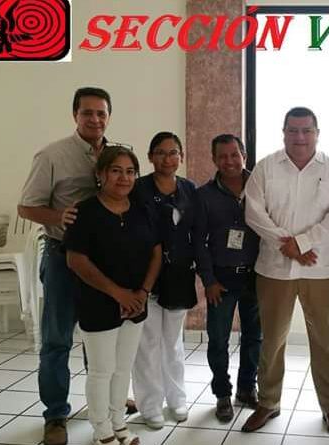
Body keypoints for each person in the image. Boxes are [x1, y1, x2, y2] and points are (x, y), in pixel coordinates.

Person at [241, 107, 329, 439]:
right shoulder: (266, 167)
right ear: (284, 132)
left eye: (306, 130)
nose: (299, 137)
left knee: (324, 342)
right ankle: (268, 402)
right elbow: (253, 213)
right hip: (274, 270)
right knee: (272, 341)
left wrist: (301, 244)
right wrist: (286, 245)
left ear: (317, 133)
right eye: (292, 130)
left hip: (320, 270)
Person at [18, 87, 112, 445]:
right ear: (75, 115)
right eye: (87, 112)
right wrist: (59, 216)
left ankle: (104, 403)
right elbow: (26, 207)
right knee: (57, 340)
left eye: (101, 113)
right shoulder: (52, 155)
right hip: (63, 259)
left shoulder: (116, 153)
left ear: (108, 117)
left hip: (105, 262)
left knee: (101, 337)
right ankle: (56, 414)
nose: (95, 119)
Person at [64, 146, 162, 445]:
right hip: (99, 304)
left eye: (130, 171)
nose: (124, 178)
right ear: (100, 174)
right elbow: (76, 260)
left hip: (136, 303)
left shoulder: (142, 209)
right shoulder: (84, 211)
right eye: (116, 171)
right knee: (101, 370)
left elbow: (156, 252)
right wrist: (119, 294)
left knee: (122, 369)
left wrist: (142, 293)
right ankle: (101, 430)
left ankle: (119, 424)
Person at [131, 132, 197, 429]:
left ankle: (177, 399)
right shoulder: (138, 189)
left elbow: (195, 231)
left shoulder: (189, 189)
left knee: (172, 342)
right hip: (146, 275)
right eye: (160, 152)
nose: (167, 158)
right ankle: (149, 405)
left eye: (173, 152)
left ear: (181, 156)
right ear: (150, 157)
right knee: (148, 343)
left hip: (179, 275)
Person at [194, 134, 262, 423]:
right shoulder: (203, 195)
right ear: (214, 160)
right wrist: (208, 281)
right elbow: (198, 242)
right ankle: (222, 393)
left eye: (234, 155)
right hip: (221, 280)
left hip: (256, 277)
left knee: (254, 337)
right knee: (218, 339)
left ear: (244, 155)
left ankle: (247, 388)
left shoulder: (261, 187)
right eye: (222, 156)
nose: (229, 161)